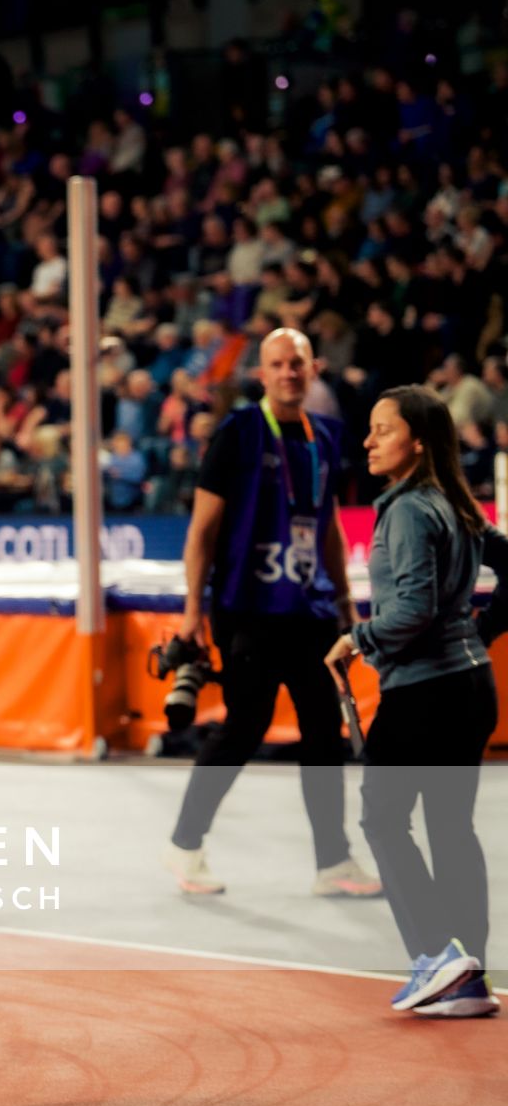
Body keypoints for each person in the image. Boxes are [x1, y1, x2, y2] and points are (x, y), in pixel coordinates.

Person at [163, 329, 382, 898]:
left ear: (314, 370)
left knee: (322, 731)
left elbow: (329, 525)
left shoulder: (327, 436)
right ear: (262, 373)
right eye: (278, 364)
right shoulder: (237, 433)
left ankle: (332, 863)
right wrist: (192, 612)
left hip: (309, 611)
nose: (289, 373)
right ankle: (186, 845)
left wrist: (342, 601)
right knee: (244, 727)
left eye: (298, 364)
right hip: (247, 610)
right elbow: (201, 532)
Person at [324, 387, 508, 1017]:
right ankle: (469, 977)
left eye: (383, 430)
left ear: (419, 441)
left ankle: (437, 957)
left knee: (381, 818)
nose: (368, 441)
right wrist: (477, 636)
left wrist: (356, 638)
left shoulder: (406, 511)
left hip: (423, 694)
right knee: (452, 829)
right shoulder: (457, 504)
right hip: (469, 685)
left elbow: (412, 610)